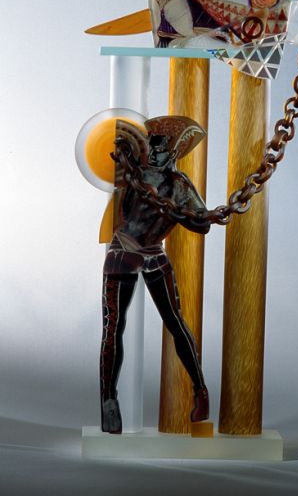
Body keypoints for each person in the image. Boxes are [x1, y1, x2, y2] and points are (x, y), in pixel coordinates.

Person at [100, 115, 210, 434]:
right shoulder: (131, 172)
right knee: (113, 326)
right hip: (123, 251)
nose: (153, 152)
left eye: (159, 148)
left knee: (175, 321)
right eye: (150, 145)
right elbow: (123, 204)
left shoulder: (179, 185)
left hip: (153, 254)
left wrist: (176, 211)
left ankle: (200, 390)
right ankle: (108, 400)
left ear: (172, 152)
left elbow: (203, 223)